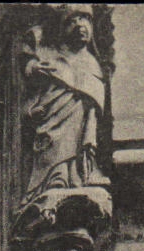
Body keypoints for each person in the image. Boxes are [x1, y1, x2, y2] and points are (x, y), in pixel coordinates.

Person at [22, 3, 108, 202]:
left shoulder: (92, 63)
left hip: (83, 122)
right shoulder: (50, 54)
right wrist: (33, 67)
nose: (80, 25)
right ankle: (57, 176)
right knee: (56, 139)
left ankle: (83, 171)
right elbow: (27, 58)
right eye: (72, 21)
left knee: (85, 132)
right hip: (55, 117)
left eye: (85, 19)